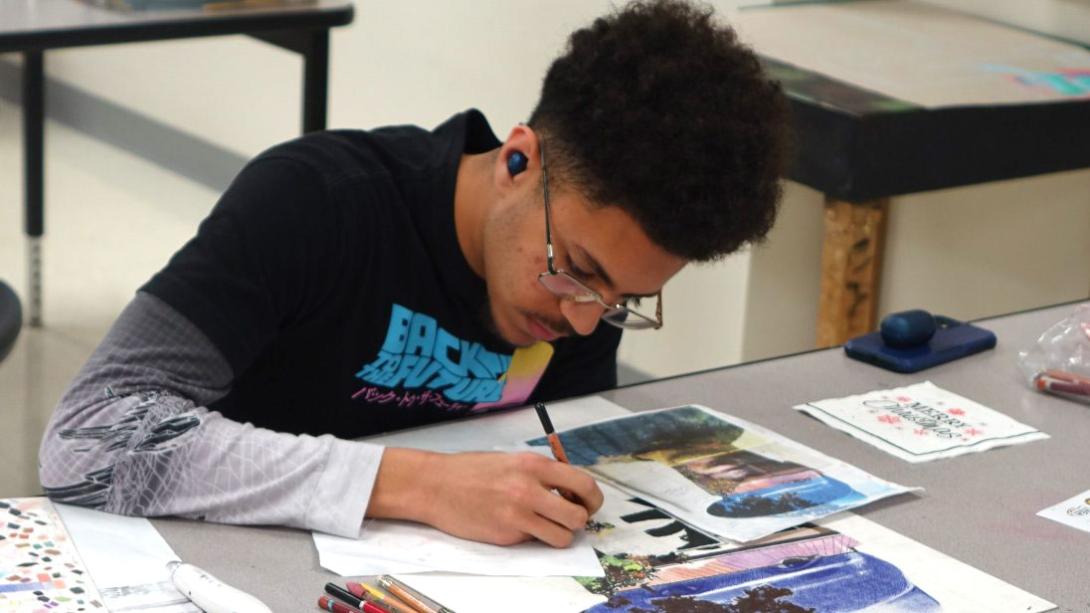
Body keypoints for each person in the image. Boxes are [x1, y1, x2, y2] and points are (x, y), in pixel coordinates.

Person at [39, 0, 789, 548]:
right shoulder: (317, 204)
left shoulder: (580, 298)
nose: (587, 322)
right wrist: (418, 483)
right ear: (518, 161)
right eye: (579, 272)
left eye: (626, 299)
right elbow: (87, 438)